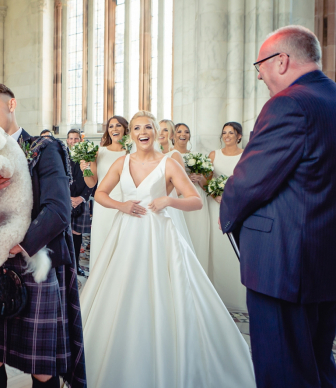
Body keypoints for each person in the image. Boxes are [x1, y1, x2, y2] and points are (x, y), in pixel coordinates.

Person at [81, 110, 255, 387]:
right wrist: (121, 205)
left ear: (157, 131)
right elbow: (100, 193)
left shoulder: (169, 163)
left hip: (159, 235)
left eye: (148, 127)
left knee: (161, 291)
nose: (142, 132)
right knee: (120, 290)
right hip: (126, 233)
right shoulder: (122, 163)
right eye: (137, 128)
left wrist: (169, 202)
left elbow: (195, 200)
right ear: (131, 133)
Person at [220, 25, 336, 387]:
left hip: (281, 266)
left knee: (283, 371)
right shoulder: (331, 97)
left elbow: (247, 183)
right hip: (323, 262)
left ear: (282, 60)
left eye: (260, 64)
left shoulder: (288, 104)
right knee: (317, 363)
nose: (258, 73)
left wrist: (228, 218)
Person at [0, 83, 86, 388]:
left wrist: (19, 245)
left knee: (41, 365)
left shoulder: (44, 148)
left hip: (32, 261)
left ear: (11, 105)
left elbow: (58, 210)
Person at [206, 122, 246, 311]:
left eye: (231, 133)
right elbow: (207, 181)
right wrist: (216, 195)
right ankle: (218, 297)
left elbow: (248, 180)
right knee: (218, 248)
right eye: (224, 132)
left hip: (238, 207)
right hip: (217, 206)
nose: (227, 136)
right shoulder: (214, 155)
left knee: (236, 250)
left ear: (239, 136)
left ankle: (238, 296)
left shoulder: (246, 154)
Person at [80, 115, 127, 267]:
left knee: (123, 245)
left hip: (125, 203)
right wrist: (85, 170)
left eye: (118, 125)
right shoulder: (98, 152)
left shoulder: (131, 153)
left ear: (125, 129)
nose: (114, 129)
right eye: (111, 126)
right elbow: (92, 183)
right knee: (103, 243)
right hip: (104, 205)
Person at [174, 123, 211, 273]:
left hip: (197, 196)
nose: (183, 134)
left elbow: (206, 185)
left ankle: (199, 273)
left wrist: (200, 178)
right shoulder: (168, 155)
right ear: (173, 135)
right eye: (179, 131)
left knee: (197, 235)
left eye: (187, 132)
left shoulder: (198, 155)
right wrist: (185, 178)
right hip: (180, 198)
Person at [158, 119, 196, 254]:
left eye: (166, 130)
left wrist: (163, 198)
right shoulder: (152, 155)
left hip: (168, 205)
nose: (161, 133)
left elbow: (179, 188)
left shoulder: (174, 155)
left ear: (172, 135)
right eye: (159, 129)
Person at [66, 128, 91, 276]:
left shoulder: (87, 157)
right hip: (65, 200)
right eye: (71, 138)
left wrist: (81, 198)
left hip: (81, 200)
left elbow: (92, 180)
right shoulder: (63, 156)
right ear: (67, 140)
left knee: (77, 234)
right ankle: (66, 267)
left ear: (80, 140)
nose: (73, 141)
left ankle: (76, 266)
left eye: (76, 139)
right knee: (64, 233)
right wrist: (67, 198)